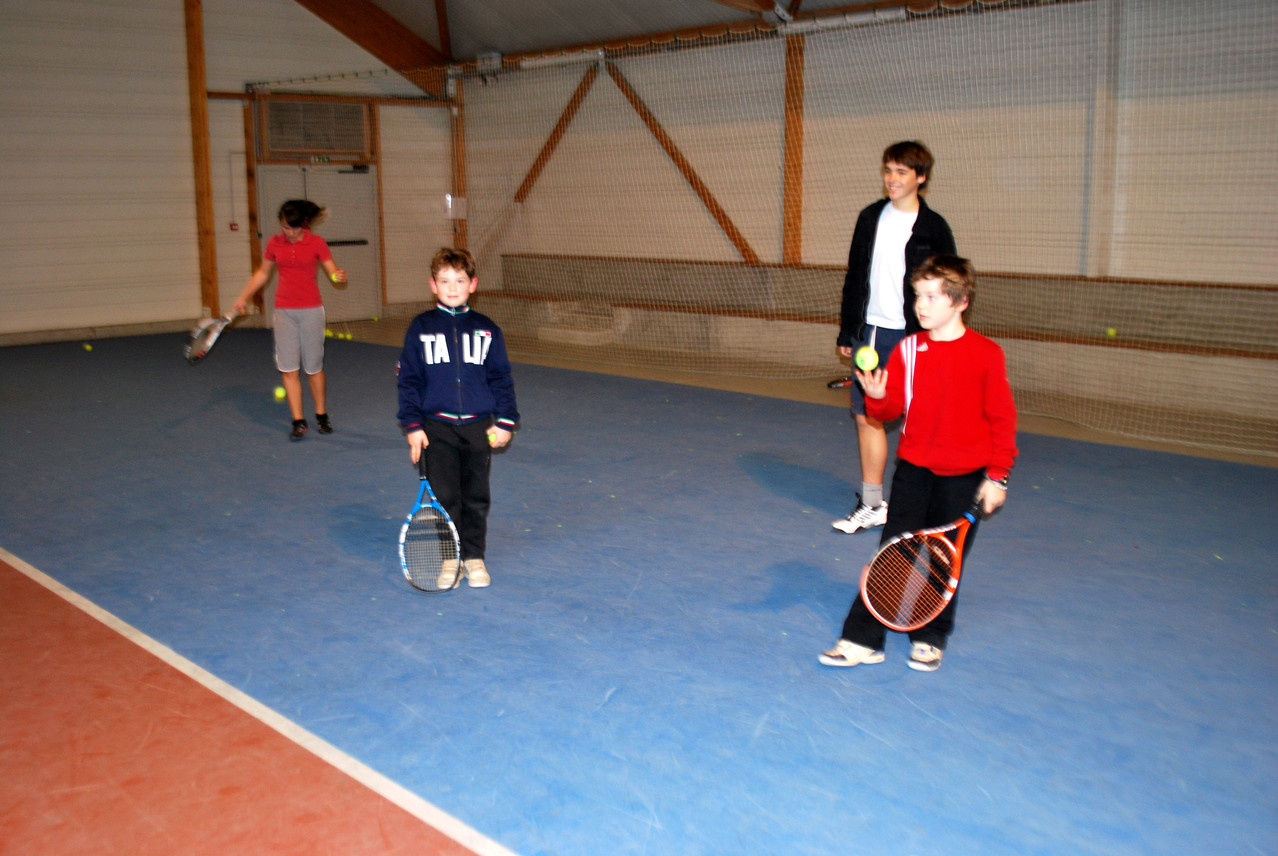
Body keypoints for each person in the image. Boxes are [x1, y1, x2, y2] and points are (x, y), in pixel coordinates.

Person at [820, 255, 1016, 672]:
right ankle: (862, 640)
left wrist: (997, 478)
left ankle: (930, 636)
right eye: (917, 296)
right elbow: (888, 412)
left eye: (931, 296)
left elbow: (1002, 419)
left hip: (965, 477)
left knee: (946, 563)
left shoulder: (986, 354)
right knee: (893, 556)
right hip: (914, 472)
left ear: (960, 301)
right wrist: (875, 394)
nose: (920, 305)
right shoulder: (910, 348)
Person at [833, 141, 956, 535]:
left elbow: (948, 288)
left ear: (920, 177)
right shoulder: (870, 217)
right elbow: (855, 275)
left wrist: (939, 339)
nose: (892, 179)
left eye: (902, 172)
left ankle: (922, 505)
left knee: (919, 421)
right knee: (867, 416)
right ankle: (872, 504)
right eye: (888, 170)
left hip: (915, 337)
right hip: (870, 333)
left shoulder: (934, 228)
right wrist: (847, 329)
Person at [396, 248, 518, 589]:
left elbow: (500, 378)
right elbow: (409, 381)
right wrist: (413, 426)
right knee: (446, 496)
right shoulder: (420, 328)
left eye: (460, 281)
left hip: (479, 427)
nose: (452, 288)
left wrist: (505, 420)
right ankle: (452, 557)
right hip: (436, 428)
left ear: (473, 284)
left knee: (476, 495)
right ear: (432, 285)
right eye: (445, 281)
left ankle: (474, 557)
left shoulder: (487, 330)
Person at [233, 199, 346, 441]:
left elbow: (332, 272)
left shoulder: (316, 243)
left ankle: (321, 415)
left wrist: (338, 277)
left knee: (313, 367)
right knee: (288, 369)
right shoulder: (275, 243)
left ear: (303, 225)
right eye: (285, 227)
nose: (289, 232)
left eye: (293, 228)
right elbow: (263, 273)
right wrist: (244, 297)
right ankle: (298, 420)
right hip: (284, 311)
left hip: (312, 311)